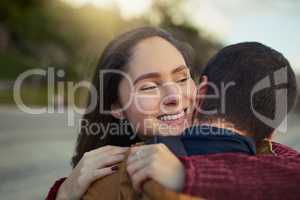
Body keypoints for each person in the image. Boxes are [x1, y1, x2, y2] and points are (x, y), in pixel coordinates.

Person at [46, 27, 300, 200]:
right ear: (116, 106)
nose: (174, 97)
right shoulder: (107, 177)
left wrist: (186, 173)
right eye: (148, 86)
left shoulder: (264, 157)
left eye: (181, 78)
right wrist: (64, 193)